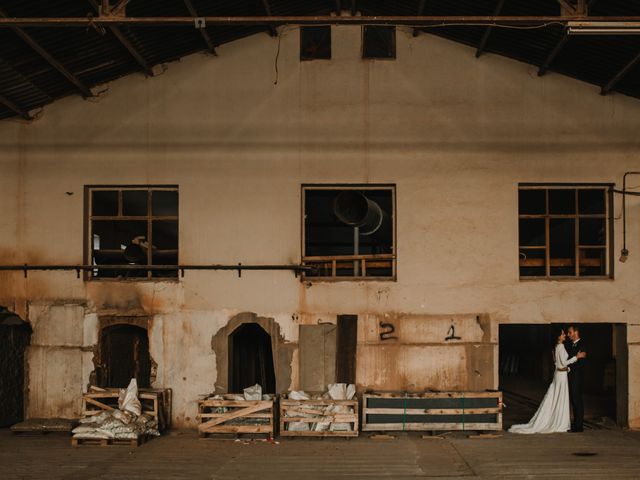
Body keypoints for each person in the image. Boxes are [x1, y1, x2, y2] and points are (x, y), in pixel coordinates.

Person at [509, 328, 586, 434]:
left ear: (576, 332)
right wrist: (576, 357)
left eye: (568, 333)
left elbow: (558, 364)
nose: (566, 335)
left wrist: (567, 368)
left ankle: (571, 423)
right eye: (563, 334)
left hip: (563, 375)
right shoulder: (562, 346)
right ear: (558, 337)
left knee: (563, 398)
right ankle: (561, 422)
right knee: (561, 398)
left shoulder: (560, 346)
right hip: (562, 376)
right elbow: (563, 363)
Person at [566, 325, 587, 432]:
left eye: (570, 332)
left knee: (577, 399)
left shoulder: (583, 345)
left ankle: (579, 426)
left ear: (576, 332)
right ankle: (576, 424)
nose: (568, 335)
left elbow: (582, 363)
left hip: (577, 376)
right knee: (574, 400)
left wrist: (569, 369)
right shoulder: (571, 345)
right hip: (571, 376)